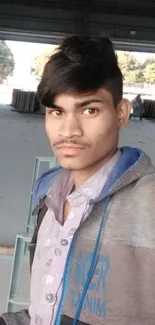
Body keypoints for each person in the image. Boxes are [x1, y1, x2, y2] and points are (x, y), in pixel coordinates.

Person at [1, 35, 155, 325]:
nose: (68, 130)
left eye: (89, 110)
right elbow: (46, 312)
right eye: (56, 112)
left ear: (121, 113)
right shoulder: (48, 195)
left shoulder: (149, 201)